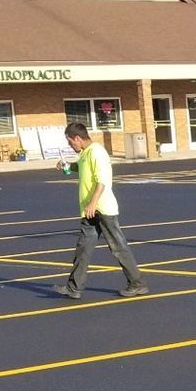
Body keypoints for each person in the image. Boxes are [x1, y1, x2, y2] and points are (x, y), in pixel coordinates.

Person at [61, 121, 148, 299]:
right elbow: (81, 167)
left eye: (71, 142)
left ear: (78, 138)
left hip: (103, 209)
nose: (71, 146)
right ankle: (74, 288)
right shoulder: (85, 153)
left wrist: (93, 203)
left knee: (118, 247)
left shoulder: (97, 152)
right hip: (90, 211)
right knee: (83, 248)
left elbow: (102, 181)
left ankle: (137, 283)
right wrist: (68, 166)